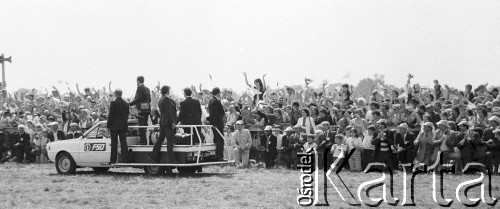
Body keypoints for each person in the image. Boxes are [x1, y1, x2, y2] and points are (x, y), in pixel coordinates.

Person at [150, 85, 177, 163]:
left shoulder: (160, 99)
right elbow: (169, 112)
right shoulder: (167, 99)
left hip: (162, 122)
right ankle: (171, 159)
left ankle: (153, 156)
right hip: (168, 123)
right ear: (167, 91)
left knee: (160, 140)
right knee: (170, 141)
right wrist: (172, 122)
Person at [107, 89, 130, 164]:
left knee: (114, 143)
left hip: (114, 126)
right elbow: (126, 115)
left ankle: (113, 160)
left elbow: (111, 115)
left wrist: (108, 125)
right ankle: (125, 158)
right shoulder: (126, 103)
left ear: (115, 94)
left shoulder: (113, 102)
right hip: (123, 125)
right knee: (123, 142)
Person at [129, 76, 151, 145]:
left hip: (141, 110)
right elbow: (149, 100)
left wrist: (129, 104)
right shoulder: (147, 89)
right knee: (145, 125)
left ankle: (143, 141)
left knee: (141, 125)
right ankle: (147, 140)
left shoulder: (139, 88)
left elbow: (138, 99)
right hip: (147, 110)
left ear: (138, 81)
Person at [207, 87, 225, 160]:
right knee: (220, 140)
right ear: (218, 93)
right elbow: (214, 114)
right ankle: (219, 156)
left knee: (216, 139)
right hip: (217, 124)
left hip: (214, 123)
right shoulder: (216, 101)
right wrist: (214, 124)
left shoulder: (211, 101)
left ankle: (216, 155)